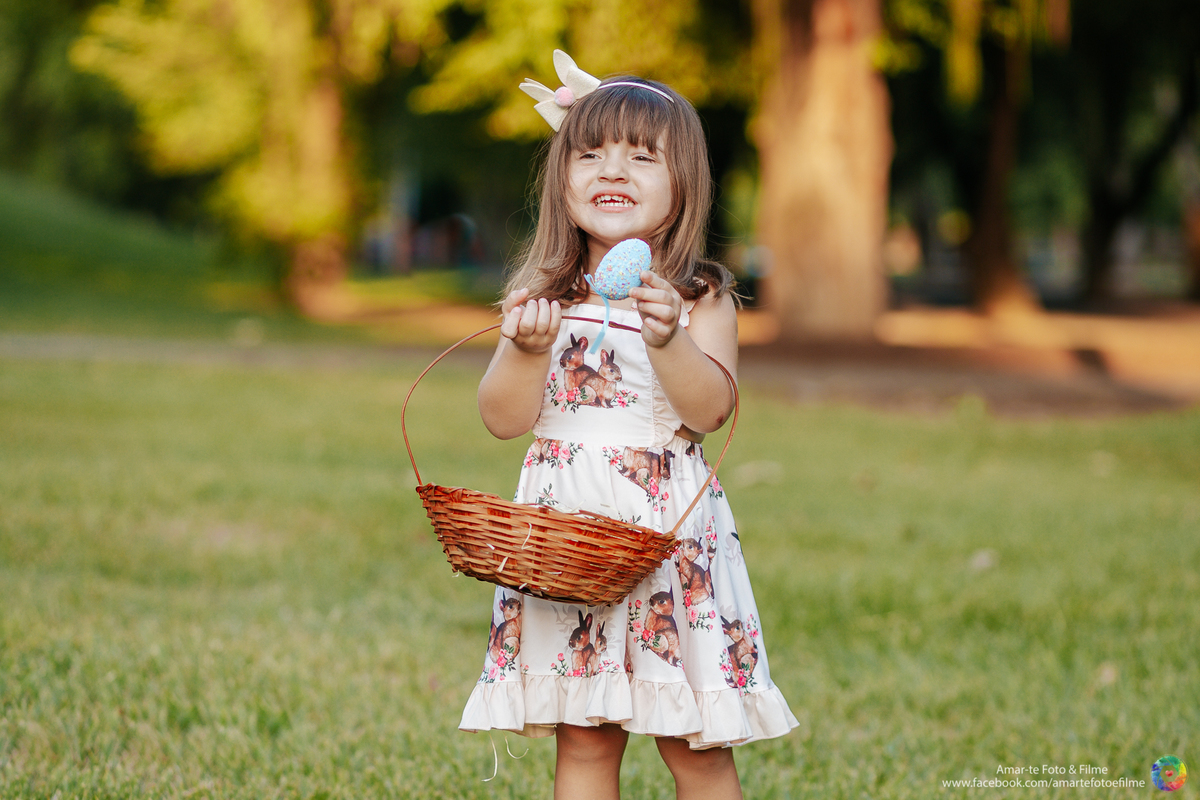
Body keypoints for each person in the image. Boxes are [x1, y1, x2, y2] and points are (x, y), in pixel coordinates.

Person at [462, 50, 798, 800]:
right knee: (583, 741)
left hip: (666, 540)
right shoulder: (541, 297)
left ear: (683, 185)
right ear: (563, 178)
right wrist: (524, 350)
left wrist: (670, 338)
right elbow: (502, 421)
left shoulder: (700, 297)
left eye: (642, 157)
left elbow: (710, 411)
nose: (612, 171)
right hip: (568, 540)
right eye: (591, 154)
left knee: (696, 747)